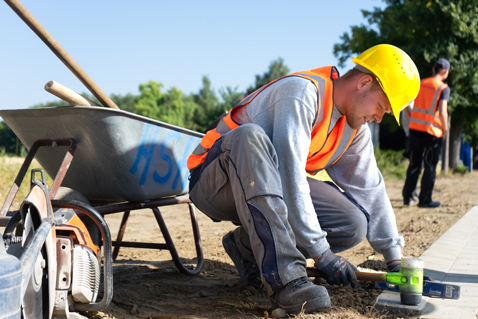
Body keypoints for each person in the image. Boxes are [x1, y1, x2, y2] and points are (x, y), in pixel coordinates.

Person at [187, 44, 420, 315]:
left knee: (351, 223)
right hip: (215, 180)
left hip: (264, 185)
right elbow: (290, 178)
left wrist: (394, 261)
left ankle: (246, 248)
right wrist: (322, 254)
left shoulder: (354, 129)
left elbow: (370, 189)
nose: (379, 117)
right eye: (381, 106)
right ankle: (287, 282)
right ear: (364, 82)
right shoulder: (302, 94)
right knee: (249, 137)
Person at [402, 58, 450, 208]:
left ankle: (408, 197)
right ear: (446, 72)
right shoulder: (443, 88)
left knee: (414, 164)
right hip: (433, 133)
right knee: (429, 166)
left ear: (433, 69)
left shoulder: (420, 83)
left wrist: (413, 118)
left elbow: (405, 104)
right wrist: (445, 128)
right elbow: (442, 110)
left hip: (415, 130)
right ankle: (424, 200)